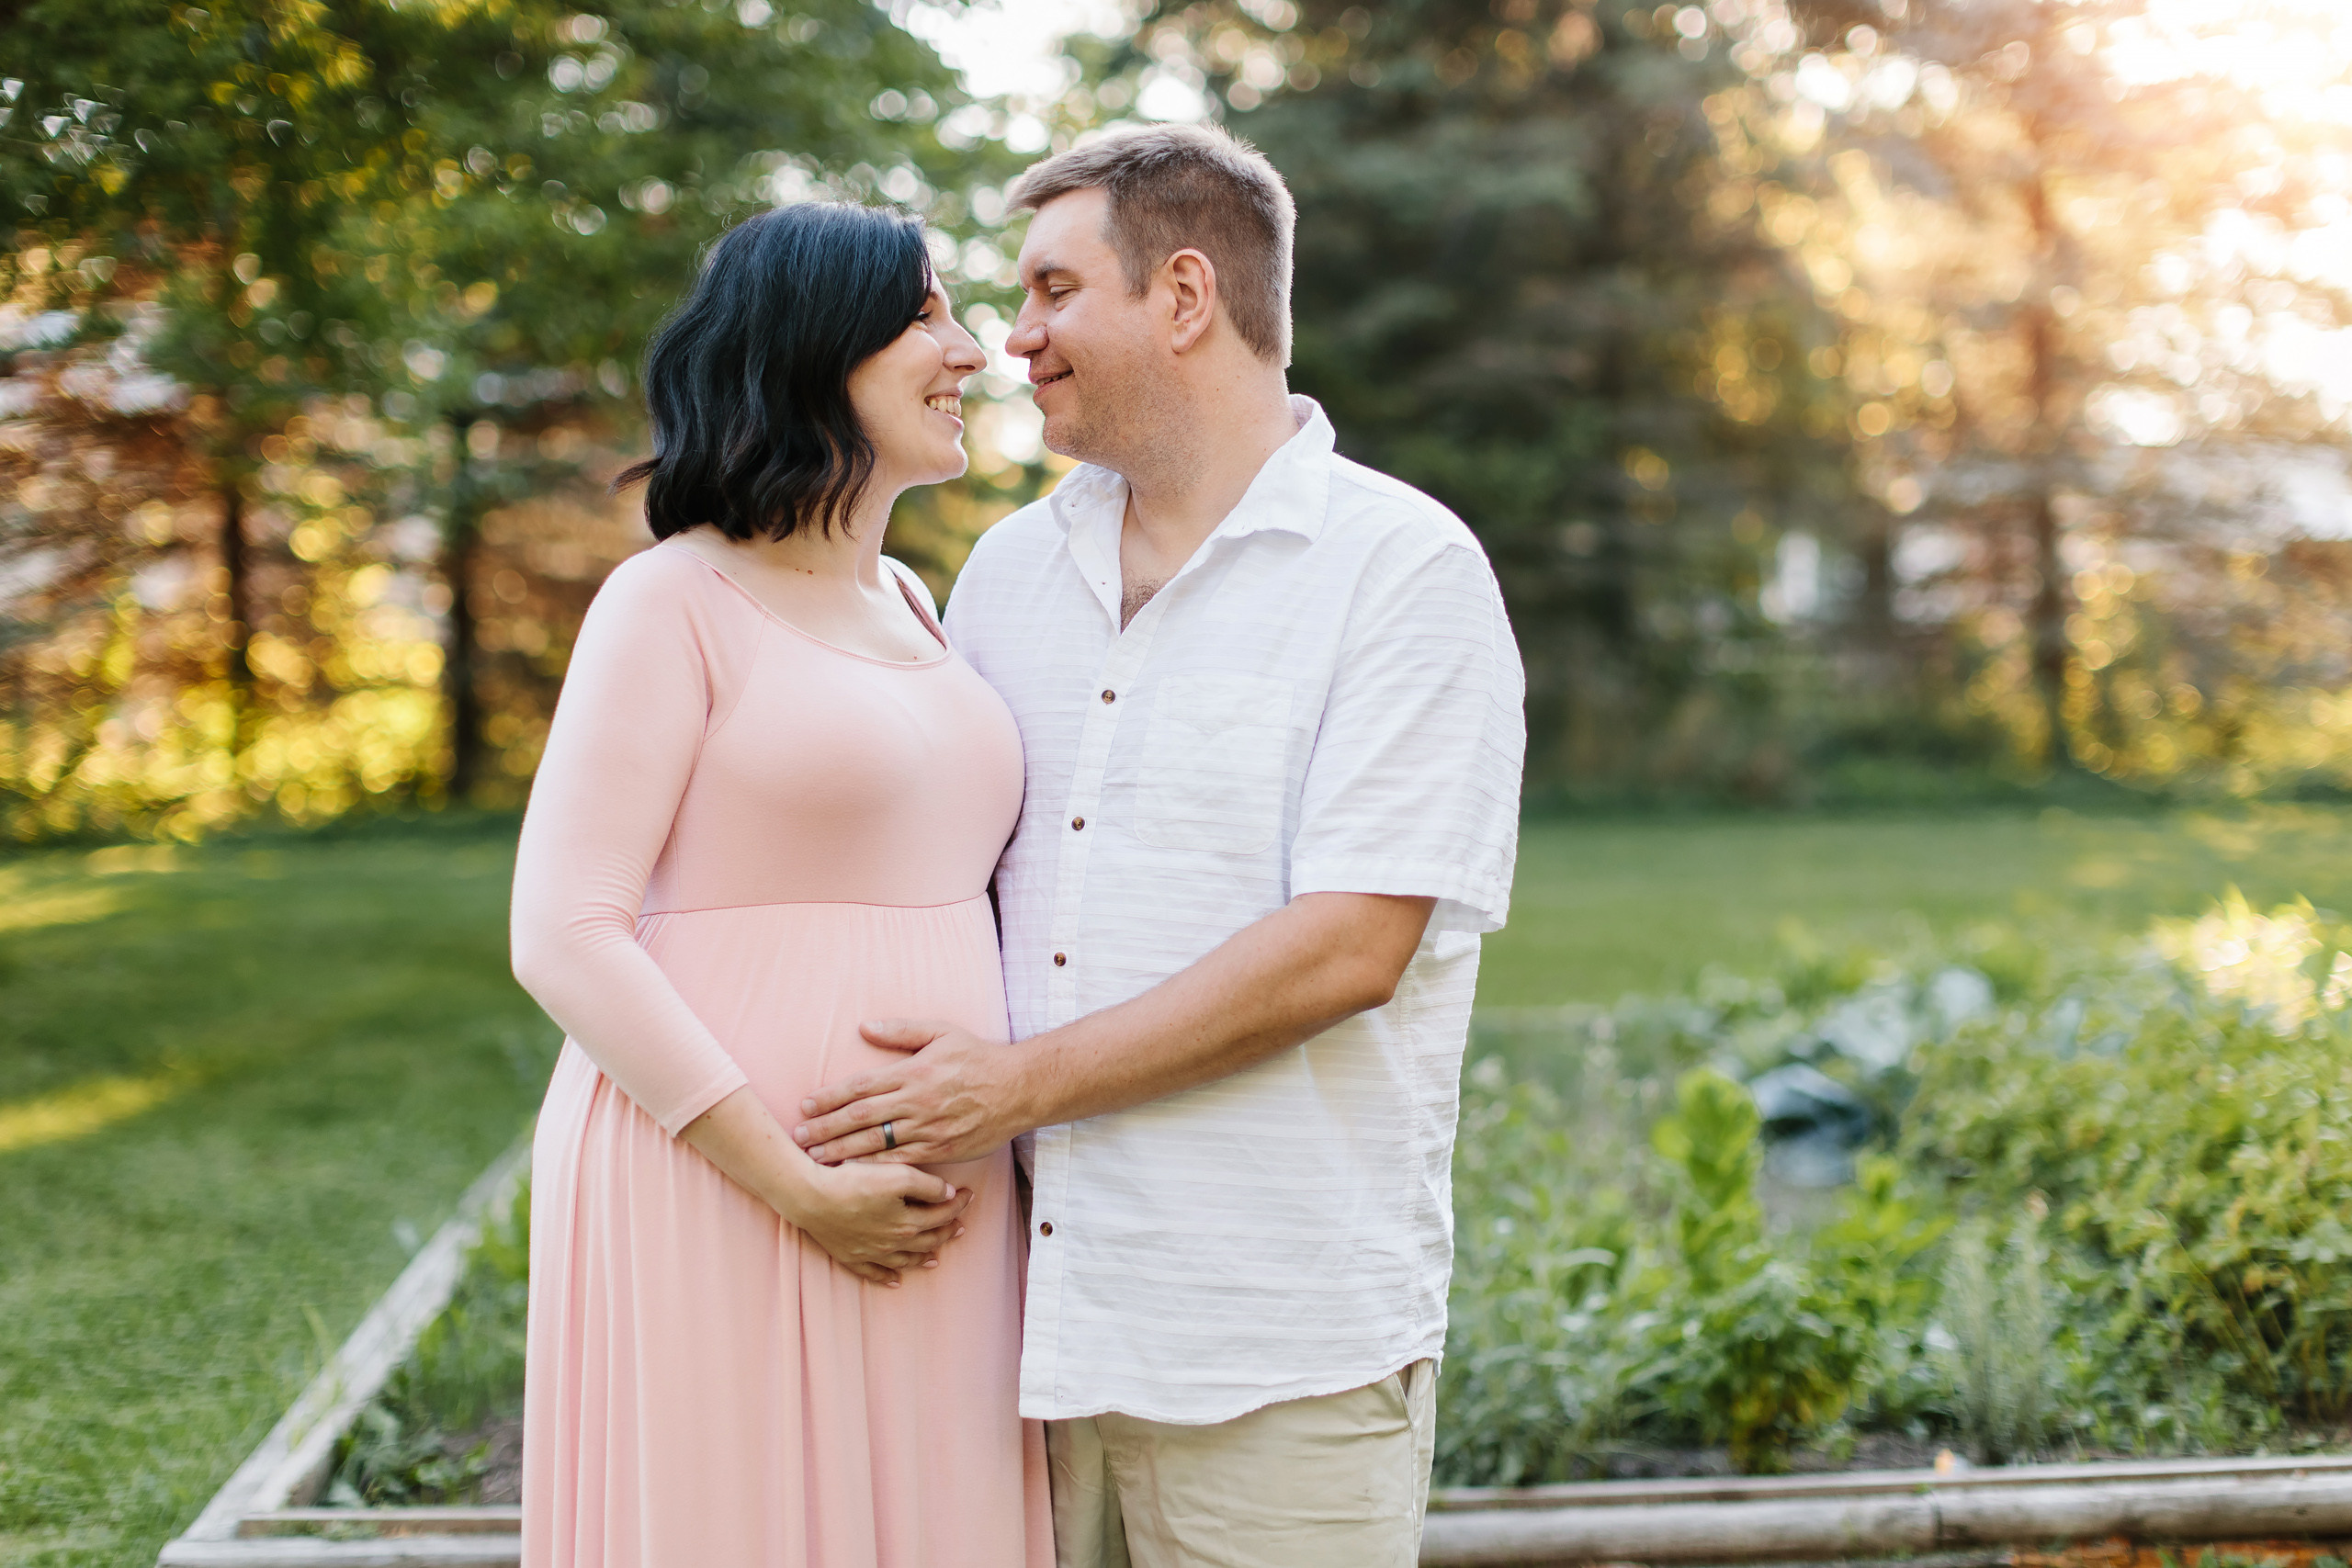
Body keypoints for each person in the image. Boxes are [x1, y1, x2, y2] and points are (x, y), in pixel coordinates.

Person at [790, 124, 1527, 1568]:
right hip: (1003, 1340)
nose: (1017, 338)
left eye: (1056, 292)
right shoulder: (1006, 571)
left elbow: (1350, 947)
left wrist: (1008, 1090)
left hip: (1273, 1350)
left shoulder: (1406, 573)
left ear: (1185, 297)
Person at [507, 202, 1050, 1568]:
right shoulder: (670, 598)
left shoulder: (919, 602)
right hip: (729, 1182)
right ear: (819, 351)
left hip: (934, 1206)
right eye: (927, 315)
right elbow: (564, 934)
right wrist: (792, 1181)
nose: (973, 351)